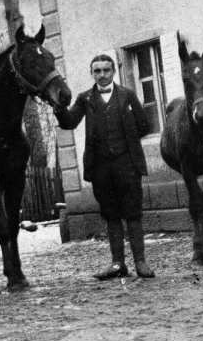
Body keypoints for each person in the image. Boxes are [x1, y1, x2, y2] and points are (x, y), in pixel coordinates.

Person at [54, 54, 155, 279]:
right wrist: (60, 107)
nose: (102, 75)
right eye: (97, 71)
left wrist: (125, 141)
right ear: (92, 73)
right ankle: (118, 264)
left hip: (127, 165)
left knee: (133, 212)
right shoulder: (85, 99)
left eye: (106, 70)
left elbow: (145, 125)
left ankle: (140, 263)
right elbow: (69, 122)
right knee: (110, 214)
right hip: (101, 168)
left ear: (113, 72)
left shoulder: (128, 96)